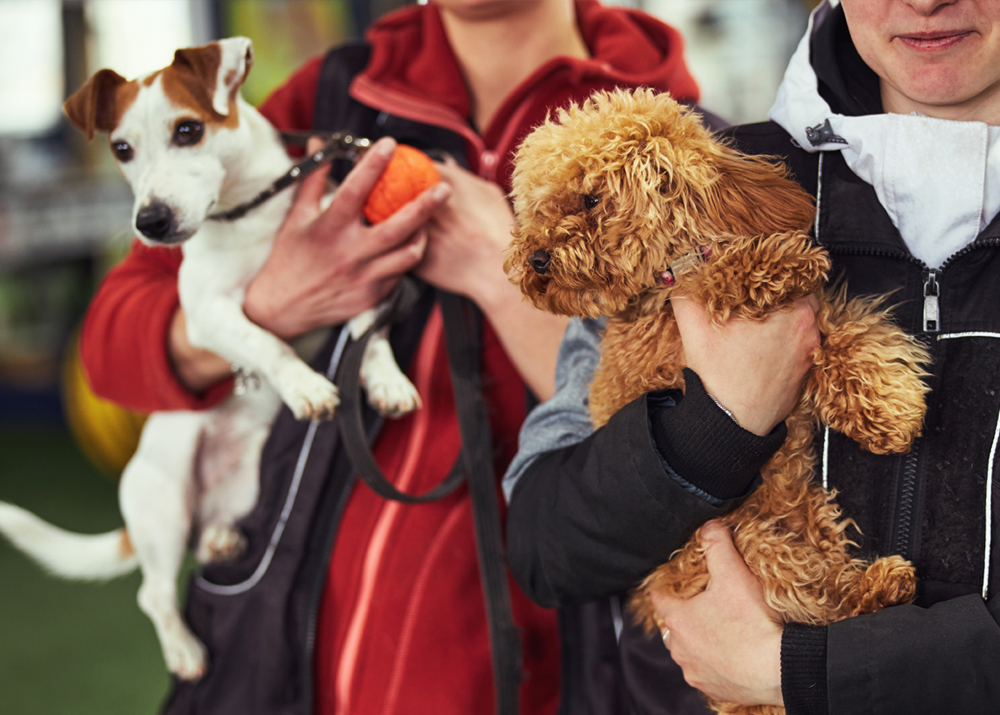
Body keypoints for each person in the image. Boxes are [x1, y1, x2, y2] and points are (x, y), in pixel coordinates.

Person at [78, 1, 704, 713]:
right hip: (300, 642)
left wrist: (503, 280)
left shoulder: (666, 135)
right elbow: (108, 347)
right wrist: (272, 306)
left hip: (540, 651)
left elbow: (689, 432)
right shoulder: (331, 94)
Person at [503, 0, 1000, 713]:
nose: (923, 2)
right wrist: (716, 425)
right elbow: (545, 543)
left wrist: (802, 670)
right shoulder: (689, 191)